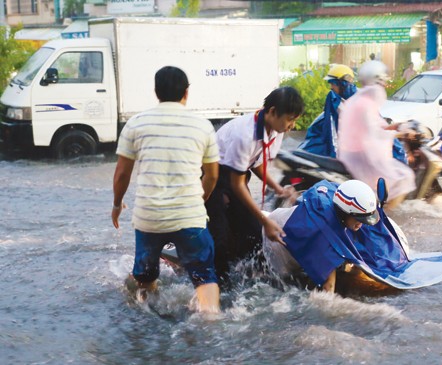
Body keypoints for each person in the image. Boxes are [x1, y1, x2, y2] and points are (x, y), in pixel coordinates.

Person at [112, 66, 221, 314]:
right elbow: (213, 174)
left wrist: (117, 205)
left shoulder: (136, 124)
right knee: (205, 276)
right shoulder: (202, 126)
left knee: (145, 280)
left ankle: (148, 314)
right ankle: (211, 321)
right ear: (186, 93)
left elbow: (122, 174)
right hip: (190, 217)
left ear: (156, 92)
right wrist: (197, 202)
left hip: (150, 219)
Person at [205, 87, 304, 280]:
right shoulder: (245, 134)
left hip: (237, 174)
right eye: (290, 119)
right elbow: (237, 185)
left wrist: (278, 188)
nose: (292, 125)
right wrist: (266, 221)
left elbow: (257, 162)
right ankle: (221, 285)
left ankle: (252, 278)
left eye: (295, 120)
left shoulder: (276, 129)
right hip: (214, 174)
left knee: (254, 235)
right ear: (273, 112)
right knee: (220, 238)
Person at [262, 180, 380, 292]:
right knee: (290, 282)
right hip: (274, 241)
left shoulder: (335, 199)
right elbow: (328, 288)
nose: (362, 223)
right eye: (358, 219)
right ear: (344, 212)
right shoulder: (323, 236)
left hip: (280, 219)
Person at [337, 60, 417, 210]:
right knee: (404, 178)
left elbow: (375, 125)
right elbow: (373, 134)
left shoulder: (361, 100)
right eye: (382, 81)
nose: (385, 85)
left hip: (355, 153)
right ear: (376, 81)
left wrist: (395, 126)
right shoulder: (364, 104)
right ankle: (385, 217)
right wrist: (400, 133)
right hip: (361, 156)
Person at [299, 64, 357, 157]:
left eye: (333, 83)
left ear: (342, 83)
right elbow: (331, 129)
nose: (331, 87)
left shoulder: (360, 100)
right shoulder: (333, 98)